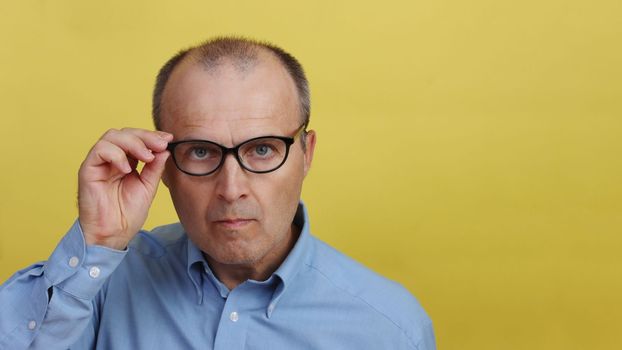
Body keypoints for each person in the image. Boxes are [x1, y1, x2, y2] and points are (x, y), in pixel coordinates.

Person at [0, 37, 435, 349]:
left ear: (306, 154)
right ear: (164, 164)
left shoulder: (390, 328)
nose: (231, 189)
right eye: (202, 152)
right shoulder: (100, 287)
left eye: (263, 149)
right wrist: (96, 243)